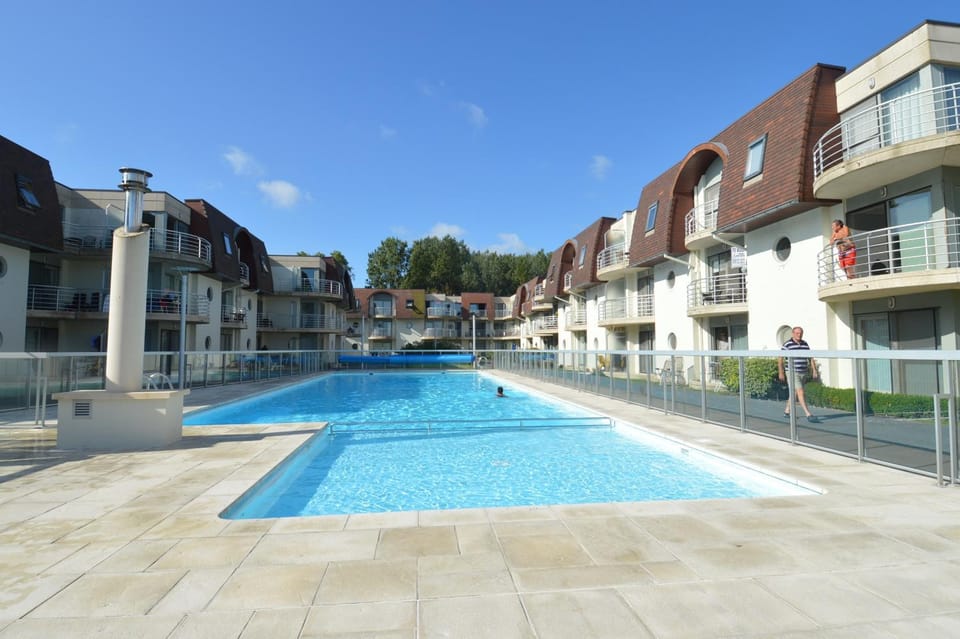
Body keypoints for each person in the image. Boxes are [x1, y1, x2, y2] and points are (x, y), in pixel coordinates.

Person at [778, 326, 819, 422]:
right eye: (797, 333)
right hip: (792, 372)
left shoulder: (805, 344)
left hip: (803, 372)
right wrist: (781, 372)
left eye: (800, 333)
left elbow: (810, 357)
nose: (799, 335)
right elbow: (780, 359)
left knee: (795, 392)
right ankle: (808, 414)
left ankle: (787, 411)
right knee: (800, 392)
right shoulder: (787, 344)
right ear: (792, 333)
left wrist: (814, 370)